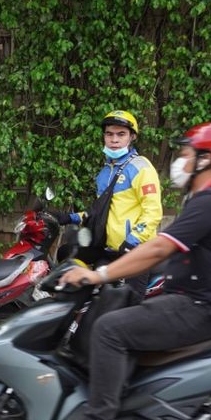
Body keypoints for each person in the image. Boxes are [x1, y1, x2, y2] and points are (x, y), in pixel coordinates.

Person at [44, 122, 211, 420]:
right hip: (199, 300)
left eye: (186, 154)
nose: (180, 160)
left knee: (110, 329)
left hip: (204, 307)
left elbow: (158, 248)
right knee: (124, 312)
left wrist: (98, 276)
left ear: (206, 159)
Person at [52, 110, 163, 297]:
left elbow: (153, 211)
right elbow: (99, 212)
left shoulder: (141, 167)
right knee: (67, 256)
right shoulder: (105, 172)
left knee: (128, 305)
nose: (114, 140)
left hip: (136, 251)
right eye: (109, 134)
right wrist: (69, 218)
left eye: (121, 134)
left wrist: (132, 241)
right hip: (110, 249)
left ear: (132, 137)